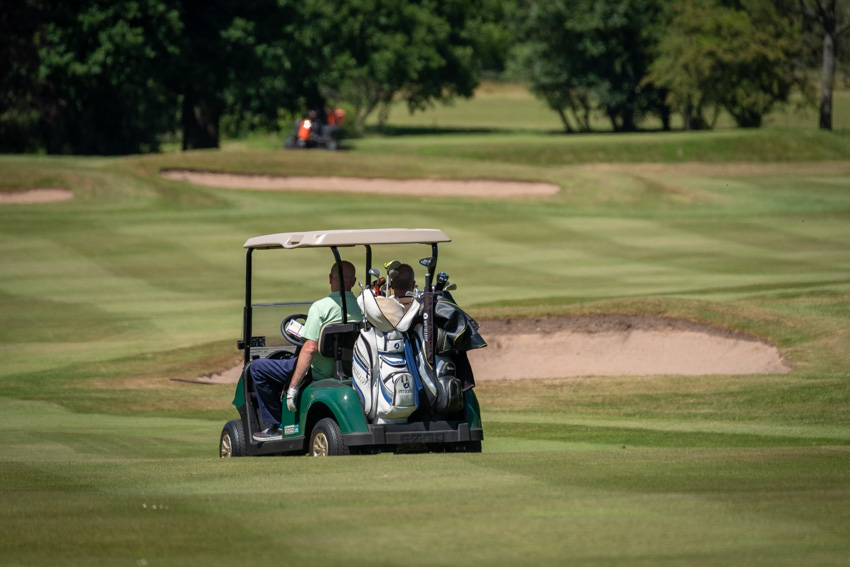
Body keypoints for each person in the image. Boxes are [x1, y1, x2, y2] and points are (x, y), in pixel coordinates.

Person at [251, 260, 362, 441]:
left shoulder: (320, 307)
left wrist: (293, 387)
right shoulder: (361, 308)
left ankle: (276, 426)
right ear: (354, 281)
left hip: (317, 370)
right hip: (349, 369)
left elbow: (310, 348)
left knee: (258, 368)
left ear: (330, 278)